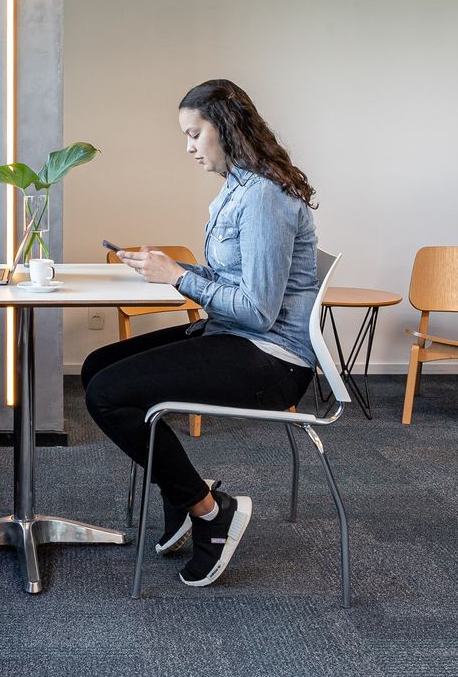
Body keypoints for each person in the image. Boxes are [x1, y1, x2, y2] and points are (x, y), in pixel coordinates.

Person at [84, 79, 320, 588]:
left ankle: (209, 509)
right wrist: (169, 265)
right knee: (96, 368)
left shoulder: (263, 198)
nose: (189, 148)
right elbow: (234, 283)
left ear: (227, 130)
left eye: (195, 134)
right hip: (232, 337)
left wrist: (178, 277)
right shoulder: (236, 190)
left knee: (107, 393)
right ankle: (182, 492)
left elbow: (258, 310)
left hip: (272, 361)